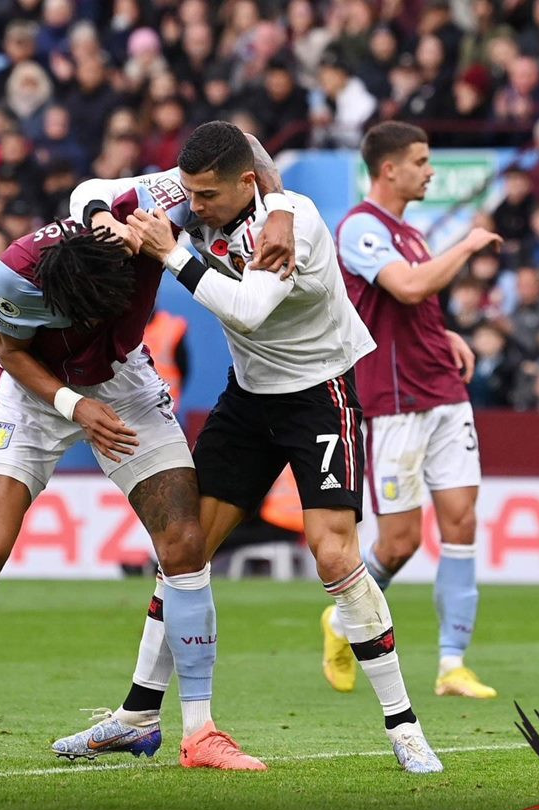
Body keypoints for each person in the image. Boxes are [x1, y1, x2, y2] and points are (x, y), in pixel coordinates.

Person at [0, 131, 295, 773]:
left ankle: (199, 732)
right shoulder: (15, 273)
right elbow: (11, 354)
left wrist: (281, 207)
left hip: (122, 379)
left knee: (183, 540)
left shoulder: (147, 215)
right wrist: (74, 405)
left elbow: (240, 147)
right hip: (33, 395)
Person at [53, 121, 442, 774]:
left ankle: (404, 727)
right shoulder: (198, 193)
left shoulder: (299, 222)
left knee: (335, 554)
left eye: (206, 196)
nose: (193, 204)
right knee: (184, 546)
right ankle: (139, 715)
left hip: (319, 393)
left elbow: (249, 309)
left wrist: (172, 249)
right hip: (249, 398)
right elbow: (90, 189)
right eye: (189, 194)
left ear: (244, 184)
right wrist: (104, 222)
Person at [328, 121, 501, 702]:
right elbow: (404, 288)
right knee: (400, 542)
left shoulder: (411, 232)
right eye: (422, 161)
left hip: (445, 391)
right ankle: (338, 622)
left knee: (461, 522)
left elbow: (412, 304)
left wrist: (442, 331)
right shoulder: (359, 228)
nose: (430, 171)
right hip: (395, 402)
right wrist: (469, 244)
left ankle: (452, 663)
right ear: (390, 169)